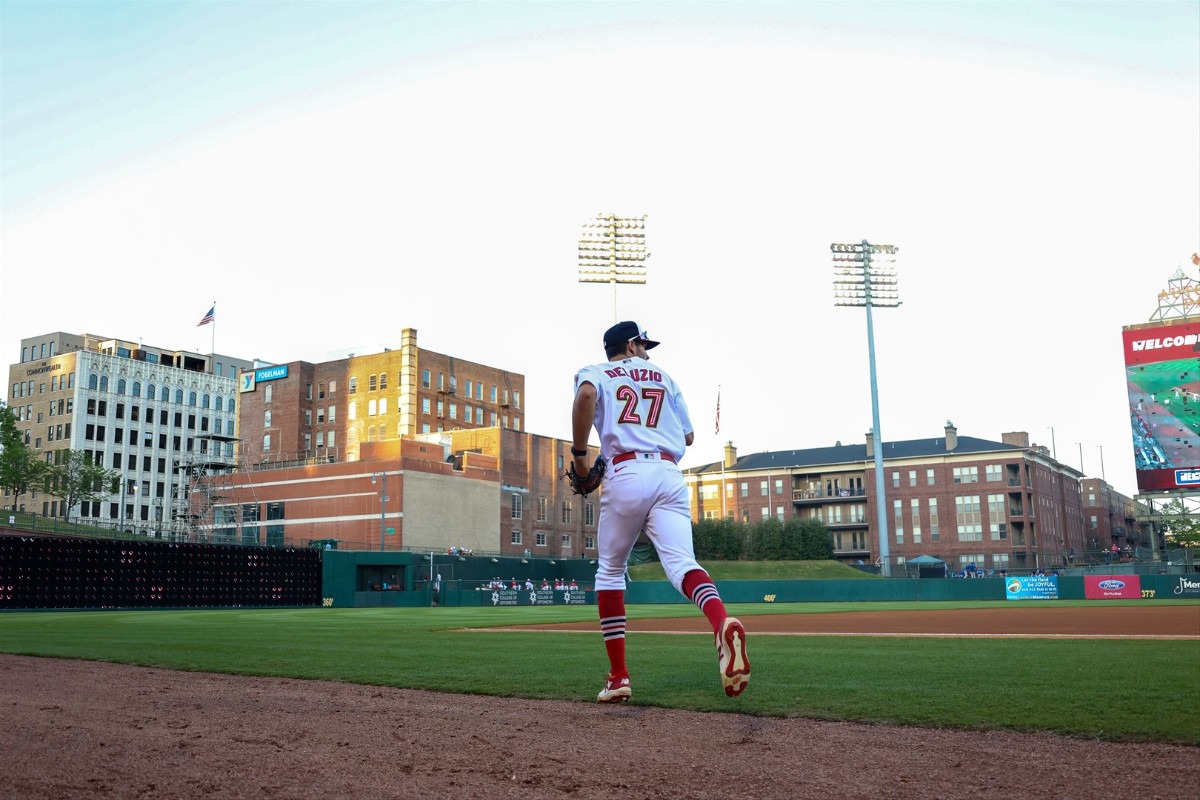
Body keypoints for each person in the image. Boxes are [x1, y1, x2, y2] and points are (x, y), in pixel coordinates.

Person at [571, 320, 749, 703]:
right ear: (631, 345)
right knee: (683, 564)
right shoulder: (664, 377)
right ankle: (720, 622)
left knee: (610, 570)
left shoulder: (597, 372)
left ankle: (618, 677)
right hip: (669, 473)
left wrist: (580, 456)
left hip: (626, 470)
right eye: (644, 345)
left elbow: (586, 396)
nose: (648, 352)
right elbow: (687, 437)